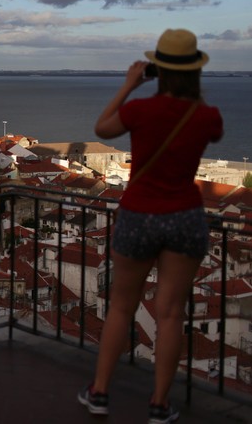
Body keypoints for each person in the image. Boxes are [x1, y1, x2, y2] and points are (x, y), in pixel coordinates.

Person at [78, 29, 223, 423]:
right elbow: (215, 131)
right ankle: (159, 404)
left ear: (158, 68)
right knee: (172, 313)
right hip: (185, 217)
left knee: (122, 307)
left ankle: (100, 393)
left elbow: (102, 129)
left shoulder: (141, 111)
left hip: (139, 214)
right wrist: (193, 90)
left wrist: (129, 85)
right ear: (194, 70)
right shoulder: (205, 114)